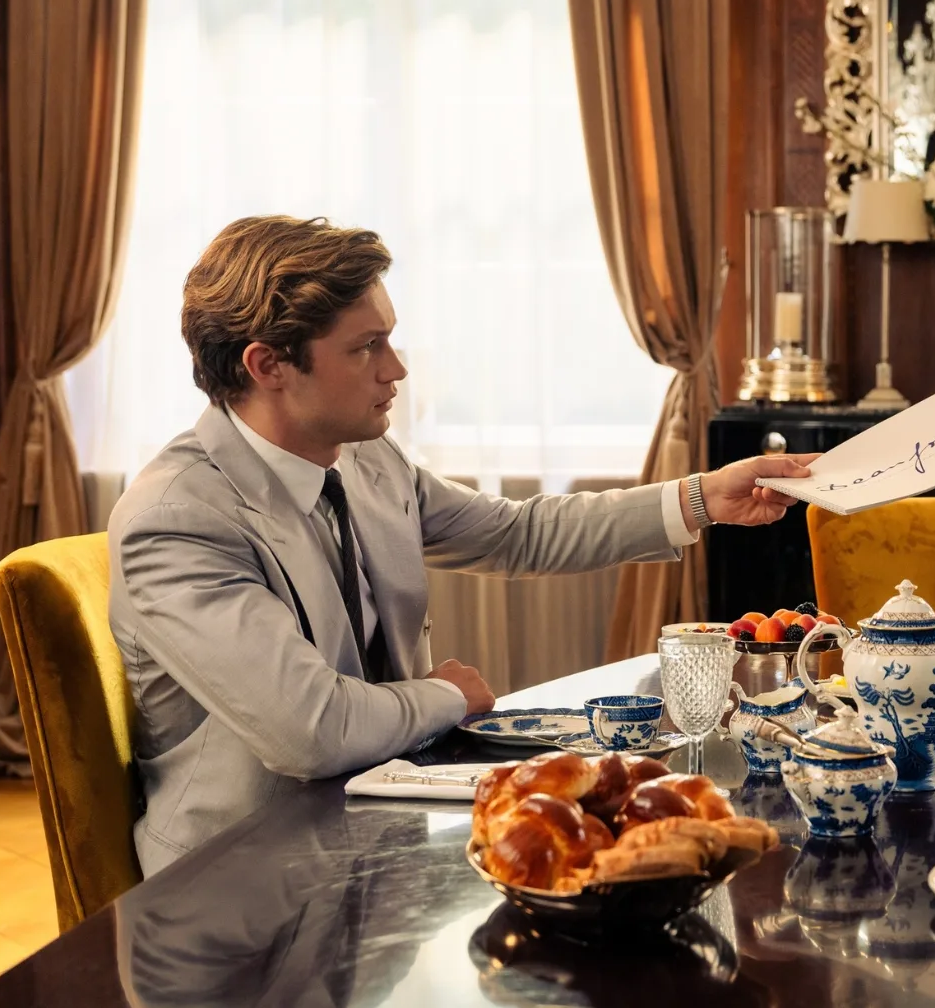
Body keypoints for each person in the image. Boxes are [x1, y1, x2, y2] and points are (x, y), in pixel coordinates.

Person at [110, 215, 815, 874]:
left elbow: (516, 532)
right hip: (243, 880)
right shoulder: (176, 520)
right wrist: (447, 695)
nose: (395, 369)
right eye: (366, 347)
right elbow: (312, 730)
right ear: (268, 365)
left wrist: (702, 497)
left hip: (383, 835)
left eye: (389, 339)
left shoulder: (366, 457)